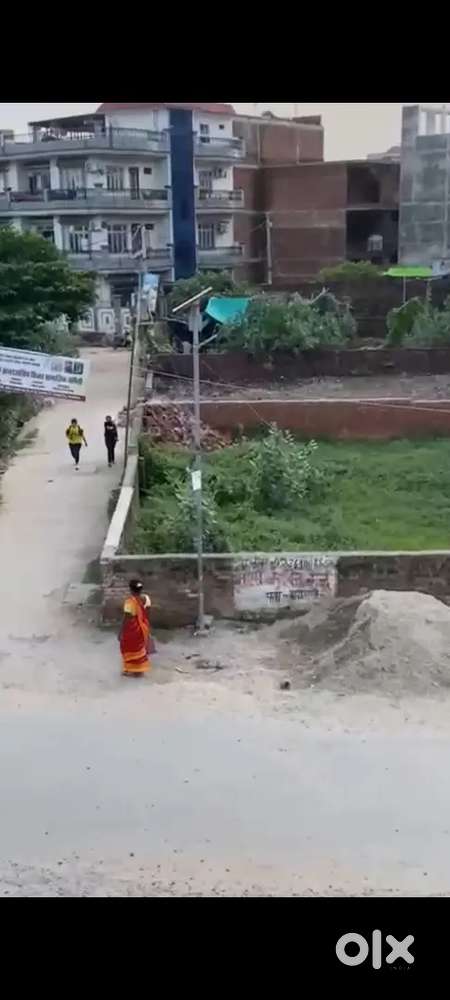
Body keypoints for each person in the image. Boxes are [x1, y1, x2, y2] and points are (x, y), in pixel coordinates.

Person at [119, 579, 153, 678]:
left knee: (128, 648)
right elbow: (148, 613)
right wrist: (146, 626)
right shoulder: (147, 599)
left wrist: (121, 631)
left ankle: (130, 669)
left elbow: (127, 618)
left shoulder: (129, 602)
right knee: (140, 648)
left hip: (132, 629)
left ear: (130, 589)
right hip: (143, 627)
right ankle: (139, 670)